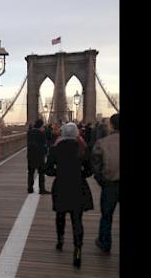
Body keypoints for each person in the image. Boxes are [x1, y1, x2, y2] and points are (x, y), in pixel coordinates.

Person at [44, 122, 94, 268]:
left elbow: (48, 170)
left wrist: (58, 173)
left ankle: (60, 240)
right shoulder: (83, 149)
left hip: (61, 186)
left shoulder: (55, 150)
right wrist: (80, 175)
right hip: (78, 186)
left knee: (60, 215)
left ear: (62, 133)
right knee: (77, 219)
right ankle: (77, 249)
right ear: (76, 134)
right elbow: (89, 171)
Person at [91, 113, 120, 255]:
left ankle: (104, 243)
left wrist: (102, 181)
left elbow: (95, 166)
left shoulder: (102, 143)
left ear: (112, 125)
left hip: (110, 185)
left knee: (106, 216)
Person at [27, 118, 50, 194]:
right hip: (39, 156)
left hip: (30, 156)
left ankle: (30, 188)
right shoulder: (41, 133)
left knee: (31, 173)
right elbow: (44, 145)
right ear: (40, 126)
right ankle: (42, 189)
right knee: (41, 173)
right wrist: (46, 153)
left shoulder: (29, 132)